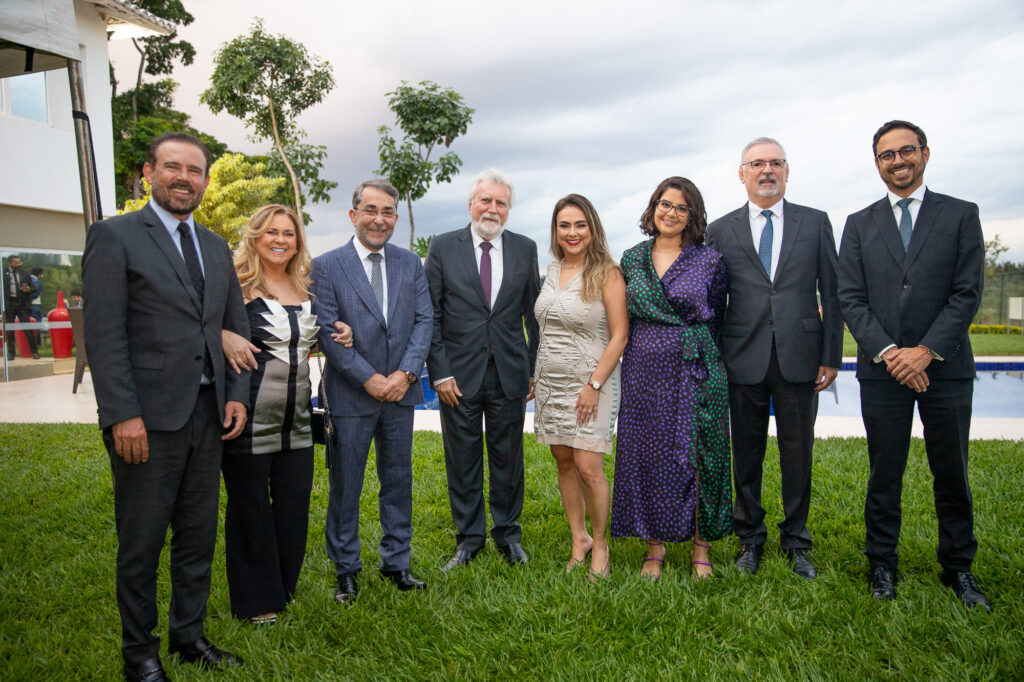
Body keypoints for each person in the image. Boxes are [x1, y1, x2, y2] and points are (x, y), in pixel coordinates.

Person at [83, 131, 248, 681]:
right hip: (147, 420)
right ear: (149, 173)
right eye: (172, 167)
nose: (184, 178)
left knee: (198, 535)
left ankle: (188, 636)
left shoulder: (217, 248)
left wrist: (236, 399)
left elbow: (232, 329)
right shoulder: (115, 237)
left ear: (205, 179)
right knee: (143, 542)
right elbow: (104, 337)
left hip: (208, 415)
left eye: (195, 170)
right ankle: (140, 655)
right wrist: (122, 415)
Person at [838, 120, 990, 610]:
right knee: (885, 471)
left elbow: (967, 292)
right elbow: (850, 298)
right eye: (887, 155)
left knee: (952, 471)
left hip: (944, 368)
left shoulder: (962, 215)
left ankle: (959, 568)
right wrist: (890, 352)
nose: (898, 161)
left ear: (925, 154)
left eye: (906, 151)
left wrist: (926, 351)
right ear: (877, 163)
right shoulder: (859, 224)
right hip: (881, 370)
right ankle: (881, 564)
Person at [705, 138, 842, 580]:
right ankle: (750, 539)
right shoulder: (721, 230)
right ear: (741, 173)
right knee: (745, 453)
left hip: (801, 357)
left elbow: (833, 293)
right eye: (757, 163)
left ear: (787, 171)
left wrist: (831, 355)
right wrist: (713, 358)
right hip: (741, 357)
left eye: (775, 163)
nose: (767, 170)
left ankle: (797, 541)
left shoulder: (815, 222)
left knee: (797, 452)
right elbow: (713, 299)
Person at [312, 179, 434, 603]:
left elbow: (424, 321)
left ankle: (396, 563)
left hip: (401, 393)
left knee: (398, 482)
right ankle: (346, 570)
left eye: (387, 212)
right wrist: (369, 378)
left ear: (396, 218)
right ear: (354, 214)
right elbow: (327, 330)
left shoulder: (409, 263)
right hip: (350, 394)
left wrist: (404, 374)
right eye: (370, 210)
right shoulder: (326, 265)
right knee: (346, 486)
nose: (378, 219)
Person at [610, 176, 731, 580]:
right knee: (648, 457)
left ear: (692, 216)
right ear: (653, 207)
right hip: (644, 373)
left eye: (682, 208)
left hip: (696, 370)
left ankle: (701, 549)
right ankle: (654, 548)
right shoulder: (631, 258)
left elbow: (717, 318)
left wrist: (694, 353)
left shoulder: (709, 261)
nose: (671, 213)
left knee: (698, 456)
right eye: (665, 204)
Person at [425, 169, 541, 571]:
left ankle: (508, 535)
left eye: (501, 203)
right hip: (457, 375)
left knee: (509, 458)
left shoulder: (525, 249)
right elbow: (432, 316)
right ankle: (469, 539)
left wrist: (532, 368)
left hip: (509, 372)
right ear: (471, 204)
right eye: (486, 200)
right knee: (462, 456)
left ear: (509, 210)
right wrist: (438, 372)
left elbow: (534, 314)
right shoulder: (442, 247)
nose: (493, 209)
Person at [217, 204, 319, 626]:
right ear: (255, 237)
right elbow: (200, 325)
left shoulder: (304, 285)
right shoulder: (234, 286)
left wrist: (340, 334)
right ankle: (255, 602)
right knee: (250, 507)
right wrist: (222, 334)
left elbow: (310, 339)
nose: (280, 240)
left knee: (293, 506)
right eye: (271, 232)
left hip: (297, 418)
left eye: (289, 234)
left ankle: (282, 587)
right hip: (248, 415)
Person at [533, 194, 627, 580]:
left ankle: (601, 545)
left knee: (589, 467)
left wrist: (593, 384)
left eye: (579, 225)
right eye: (564, 225)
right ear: (555, 231)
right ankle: (579, 539)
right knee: (564, 461)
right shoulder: (552, 269)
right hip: (550, 383)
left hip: (592, 382)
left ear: (592, 228)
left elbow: (620, 335)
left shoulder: (607, 272)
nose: (572, 233)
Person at [3, 255, 39, 359]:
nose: (19, 265)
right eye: (16, 263)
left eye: (20, 263)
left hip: (22, 303)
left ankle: (34, 352)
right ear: (10, 263)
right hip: (10, 303)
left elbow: (34, 288)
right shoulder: (4, 274)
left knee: (27, 328)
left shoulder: (24, 273)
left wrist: (28, 289)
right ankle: (11, 353)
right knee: (9, 330)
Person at [29, 267, 43, 345]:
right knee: (37, 324)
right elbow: (36, 294)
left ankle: (30, 343)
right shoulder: (37, 282)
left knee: (29, 324)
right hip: (35, 305)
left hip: (27, 306)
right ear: (39, 274)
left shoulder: (26, 280)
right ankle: (36, 342)